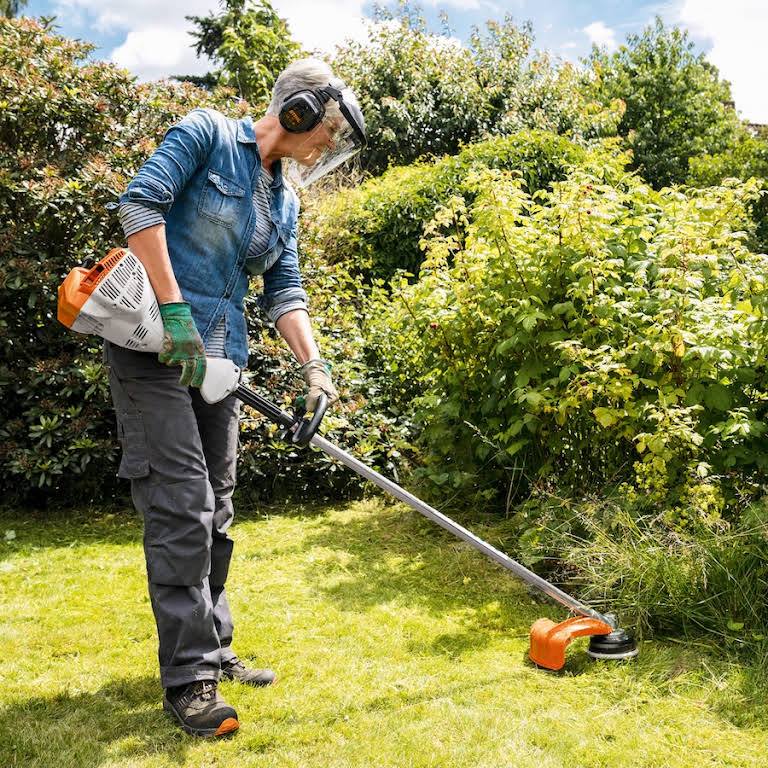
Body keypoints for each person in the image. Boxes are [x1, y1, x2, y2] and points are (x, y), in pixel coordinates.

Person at [103, 58, 366, 738]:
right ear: (300, 111)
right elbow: (139, 206)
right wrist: (179, 319)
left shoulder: (285, 200)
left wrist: (316, 368)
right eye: (328, 132)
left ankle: (214, 651)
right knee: (182, 502)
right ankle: (190, 682)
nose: (327, 148)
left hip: (220, 363)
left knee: (217, 506)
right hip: (155, 348)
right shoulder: (206, 136)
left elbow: (285, 290)